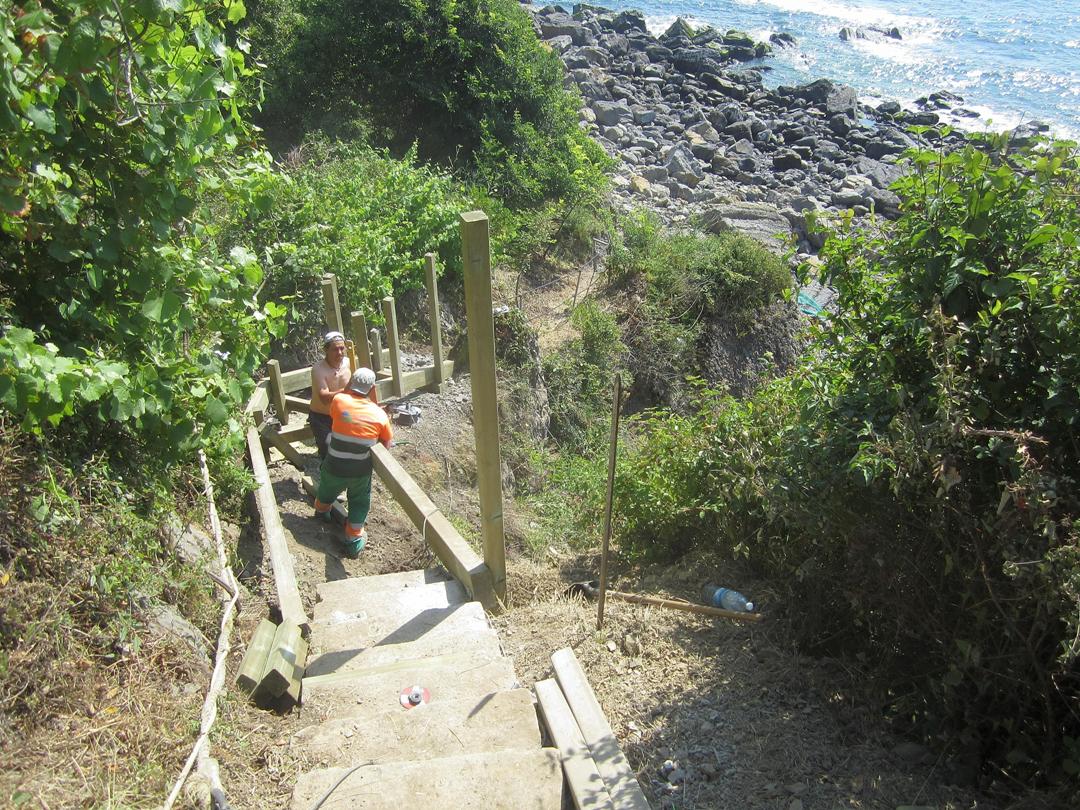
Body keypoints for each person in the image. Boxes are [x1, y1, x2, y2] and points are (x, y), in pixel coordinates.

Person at [314, 367, 393, 557]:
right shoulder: (380, 416)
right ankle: (354, 539)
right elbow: (387, 444)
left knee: (327, 488)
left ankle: (322, 512)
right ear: (372, 387)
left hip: (334, 465)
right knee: (359, 501)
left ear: (351, 383)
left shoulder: (339, 401)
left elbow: (343, 418)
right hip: (360, 472)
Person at [308, 331, 351, 460]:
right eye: (334, 349)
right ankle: (326, 473)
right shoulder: (319, 369)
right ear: (326, 350)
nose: (339, 353)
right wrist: (347, 390)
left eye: (341, 348)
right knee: (328, 447)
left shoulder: (347, 363)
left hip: (343, 413)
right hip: (322, 418)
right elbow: (324, 398)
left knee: (355, 440)